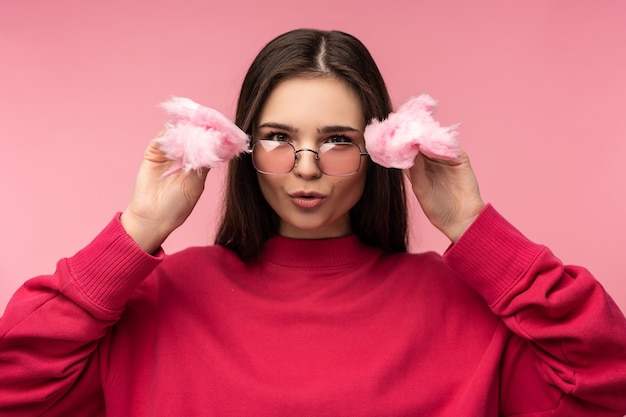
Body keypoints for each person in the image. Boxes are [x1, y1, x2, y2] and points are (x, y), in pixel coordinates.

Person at [1, 28, 625, 417]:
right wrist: (137, 229)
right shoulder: (159, 299)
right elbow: (15, 388)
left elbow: (607, 384)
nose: (307, 168)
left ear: (378, 150)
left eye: (336, 140)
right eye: (278, 137)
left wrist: (473, 226)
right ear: (242, 145)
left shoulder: (461, 307)